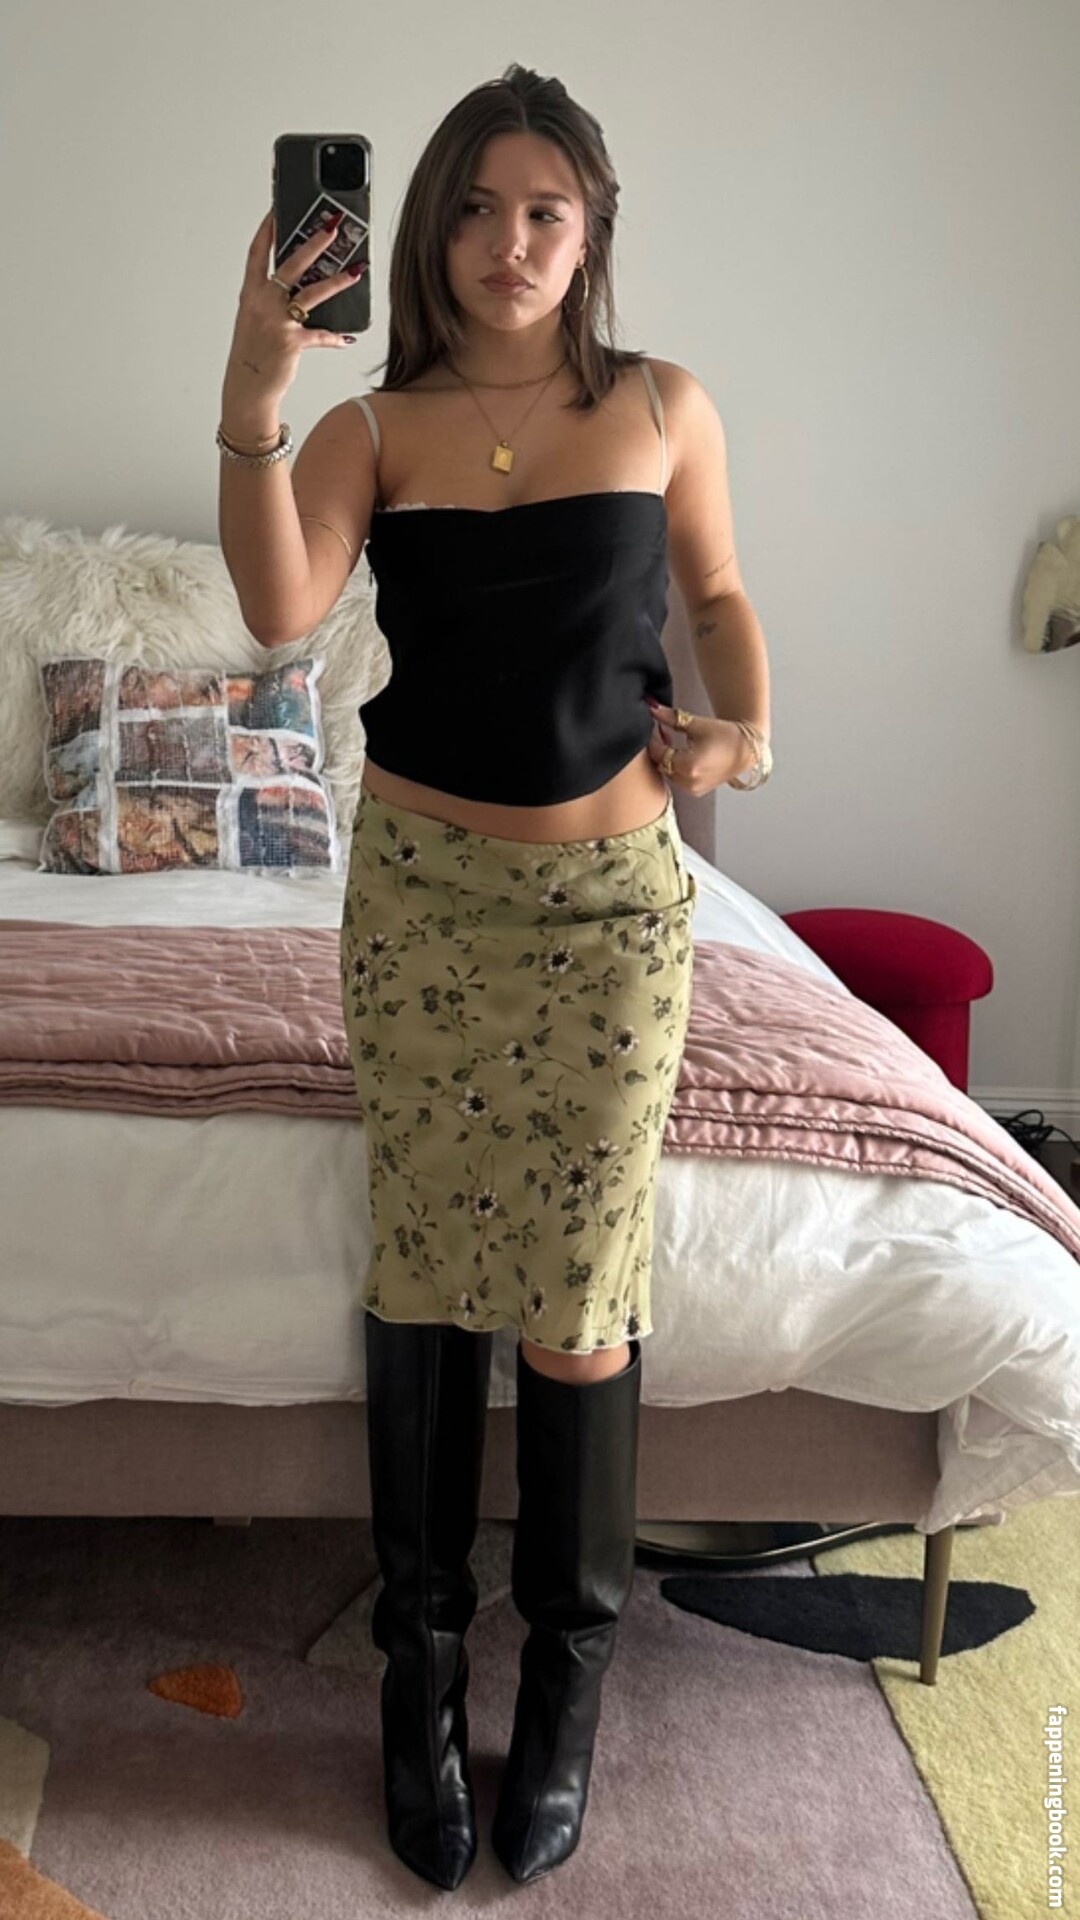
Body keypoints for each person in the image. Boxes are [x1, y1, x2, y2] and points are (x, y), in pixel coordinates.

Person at [218, 62, 772, 1893]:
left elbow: (717, 598)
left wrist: (748, 724)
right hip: (425, 907)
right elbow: (280, 611)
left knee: (578, 1292)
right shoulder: (374, 427)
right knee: (429, 1282)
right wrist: (255, 390)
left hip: (613, 913)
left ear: (591, 231)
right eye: (473, 207)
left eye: (545, 210)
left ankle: (566, 1693)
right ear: (426, 229)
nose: (508, 242)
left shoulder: (662, 405)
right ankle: (419, 1678)